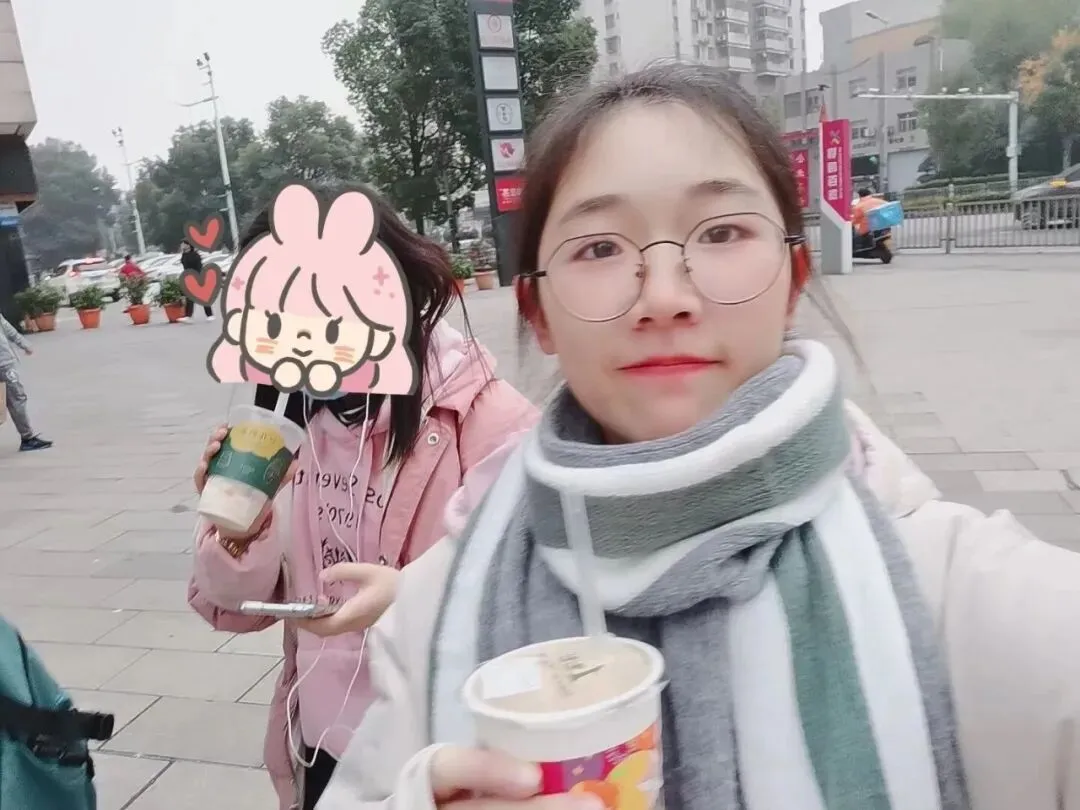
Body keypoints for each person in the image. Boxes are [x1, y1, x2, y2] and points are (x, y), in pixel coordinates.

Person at [314, 63, 1080, 810]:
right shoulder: (433, 613)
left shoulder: (979, 603)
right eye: (599, 248)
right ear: (537, 312)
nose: (664, 296)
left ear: (794, 278)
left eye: (721, 232)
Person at [187, 187, 538, 810]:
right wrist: (237, 530)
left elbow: (532, 600)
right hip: (320, 749)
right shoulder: (283, 424)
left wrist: (410, 597)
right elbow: (233, 609)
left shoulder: (486, 418)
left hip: (435, 753)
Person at [0, 313, 52, 452]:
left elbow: (6, 327)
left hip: (4, 361)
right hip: (3, 364)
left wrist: (23, 344)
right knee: (17, 399)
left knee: (13, 399)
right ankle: (27, 438)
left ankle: (27, 437)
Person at [178, 240, 214, 322]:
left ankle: (210, 315)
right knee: (189, 297)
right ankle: (188, 316)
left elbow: (199, 267)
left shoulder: (195, 255)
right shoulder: (184, 255)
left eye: (183, 244)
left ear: (188, 245)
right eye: (182, 244)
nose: (182, 245)